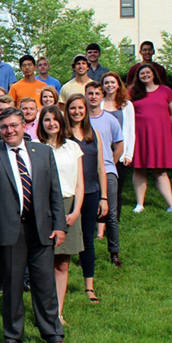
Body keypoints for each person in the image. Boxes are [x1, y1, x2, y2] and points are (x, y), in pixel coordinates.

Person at [0, 107, 68, 343]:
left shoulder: (43, 153)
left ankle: (54, 336)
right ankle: (12, 337)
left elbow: (54, 193)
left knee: (45, 286)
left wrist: (59, 226)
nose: (9, 130)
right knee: (12, 286)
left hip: (41, 229)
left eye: (14, 125)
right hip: (7, 230)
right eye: (4, 127)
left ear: (24, 125)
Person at [36, 105, 85, 326]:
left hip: (69, 206)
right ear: (42, 123)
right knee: (42, 263)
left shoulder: (73, 148)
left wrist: (75, 212)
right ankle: (42, 312)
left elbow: (79, 183)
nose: (51, 124)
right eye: (47, 120)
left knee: (62, 264)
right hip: (43, 208)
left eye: (55, 120)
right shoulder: (34, 147)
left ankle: (57, 313)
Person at [68, 94, 108, 305]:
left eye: (80, 108)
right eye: (73, 108)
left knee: (88, 239)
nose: (77, 112)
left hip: (92, 191)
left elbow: (101, 167)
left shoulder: (95, 134)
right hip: (70, 193)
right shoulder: (63, 134)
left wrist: (104, 196)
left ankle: (89, 287)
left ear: (86, 110)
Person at [129, 64, 172, 213]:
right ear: (138, 77)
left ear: (153, 74)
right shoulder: (132, 92)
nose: (145, 75)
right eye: (141, 73)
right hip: (139, 136)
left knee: (160, 170)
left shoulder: (166, 91)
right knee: (139, 169)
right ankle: (139, 204)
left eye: (147, 72)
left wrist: (160, 128)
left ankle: (171, 205)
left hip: (160, 137)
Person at [85, 81, 125, 267]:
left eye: (96, 93)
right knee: (86, 214)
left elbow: (119, 145)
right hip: (85, 171)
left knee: (111, 213)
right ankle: (85, 252)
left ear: (102, 96)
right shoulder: (81, 119)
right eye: (90, 93)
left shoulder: (110, 120)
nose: (93, 96)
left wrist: (111, 164)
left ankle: (114, 252)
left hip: (107, 170)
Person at [100, 71, 136, 228]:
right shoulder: (98, 103)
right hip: (102, 153)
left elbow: (131, 130)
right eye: (106, 83)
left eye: (112, 82)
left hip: (120, 154)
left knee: (117, 190)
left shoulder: (127, 105)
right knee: (102, 190)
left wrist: (129, 153)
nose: (109, 85)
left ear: (118, 85)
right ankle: (100, 222)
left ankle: (114, 222)